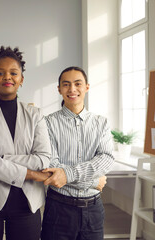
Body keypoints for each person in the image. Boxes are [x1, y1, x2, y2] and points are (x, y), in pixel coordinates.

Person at [0, 46, 52, 240]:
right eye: (0, 73)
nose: (7, 77)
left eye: (13, 73)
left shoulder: (36, 114)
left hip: (27, 202)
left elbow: (44, 158)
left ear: (21, 79)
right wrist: (30, 173)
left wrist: (0, 159)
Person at [41, 66, 114, 240]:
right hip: (59, 207)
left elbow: (106, 158)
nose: (72, 89)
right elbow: (52, 167)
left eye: (77, 84)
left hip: (93, 210)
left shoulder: (101, 123)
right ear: (59, 89)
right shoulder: (48, 123)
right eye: (66, 84)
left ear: (87, 87)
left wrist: (68, 175)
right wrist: (94, 180)